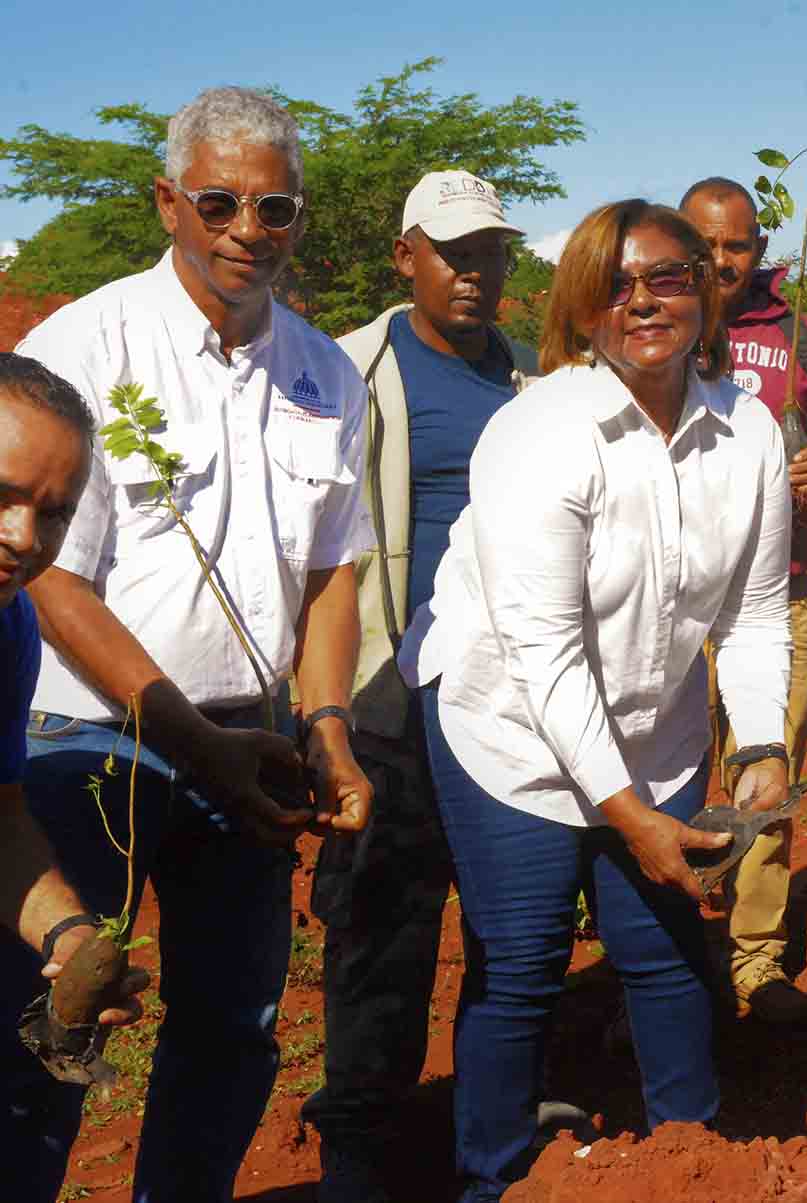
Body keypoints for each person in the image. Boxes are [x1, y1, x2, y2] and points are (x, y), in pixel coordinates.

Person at [4, 87, 374, 1203]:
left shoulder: (327, 374)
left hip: (251, 746)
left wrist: (327, 729)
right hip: (91, 737)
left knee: (236, 1020)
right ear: (170, 202)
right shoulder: (85, 346)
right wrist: (184, 738)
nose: (246, 232)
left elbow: (332, 572)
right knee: (61, 1017)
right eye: (220, 203)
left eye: (276, 210)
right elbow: (53, 581)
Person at [397, 198, 791, 1201]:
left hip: (655, 730)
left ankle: (693, 1164)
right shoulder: (540, 432)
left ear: (703, 292)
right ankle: (492, 1178)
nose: (644, 301)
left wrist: (761, 748)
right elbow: (545, 654)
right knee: (522, 963)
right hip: (512, 730)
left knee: (665, 952)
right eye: (616, 284)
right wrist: (629, 819)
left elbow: (753, 610)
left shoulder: (747, 431)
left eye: (667, 277)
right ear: (582, 307)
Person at [301, 170, 536, 1202]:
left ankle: (489, 1135)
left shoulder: (536, 383)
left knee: (504, 920)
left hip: (503, 696)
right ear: (407, 258)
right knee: (382, 929)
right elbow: (316, 554)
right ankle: (359, 1141)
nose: (474, 272)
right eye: (452, 252)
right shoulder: (347, 373)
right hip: (387, 698)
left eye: (489, 252)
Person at [679, 177, 807, 1024]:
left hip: (777, 595)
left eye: (738, 245)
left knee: (765, 780)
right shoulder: (653, 328)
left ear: (762, 250)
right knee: (665, 782)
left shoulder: (804, 343)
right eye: (705, 243)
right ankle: (670, 956)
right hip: (668, 603)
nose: (722, 261)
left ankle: (755, 958)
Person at [0, 355, 150, 1056]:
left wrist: (70, 934)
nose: (25, 539)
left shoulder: (9, 628)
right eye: (2, 496)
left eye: (54, 512)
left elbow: (1, 822)